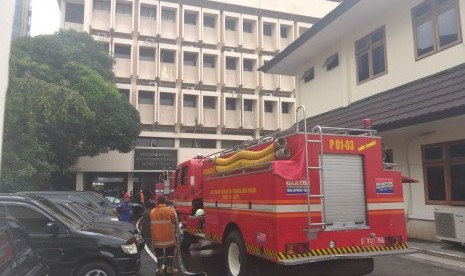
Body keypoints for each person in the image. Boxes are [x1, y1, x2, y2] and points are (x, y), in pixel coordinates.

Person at [150, 196, 178, 275]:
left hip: (157, 237)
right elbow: (174, 219)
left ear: (158, 202)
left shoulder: (152, 211)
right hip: (168, 236)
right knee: (170, 251)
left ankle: (160, 269)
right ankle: (170, 268)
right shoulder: (170, 210)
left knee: (159, 253)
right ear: (165, 202)